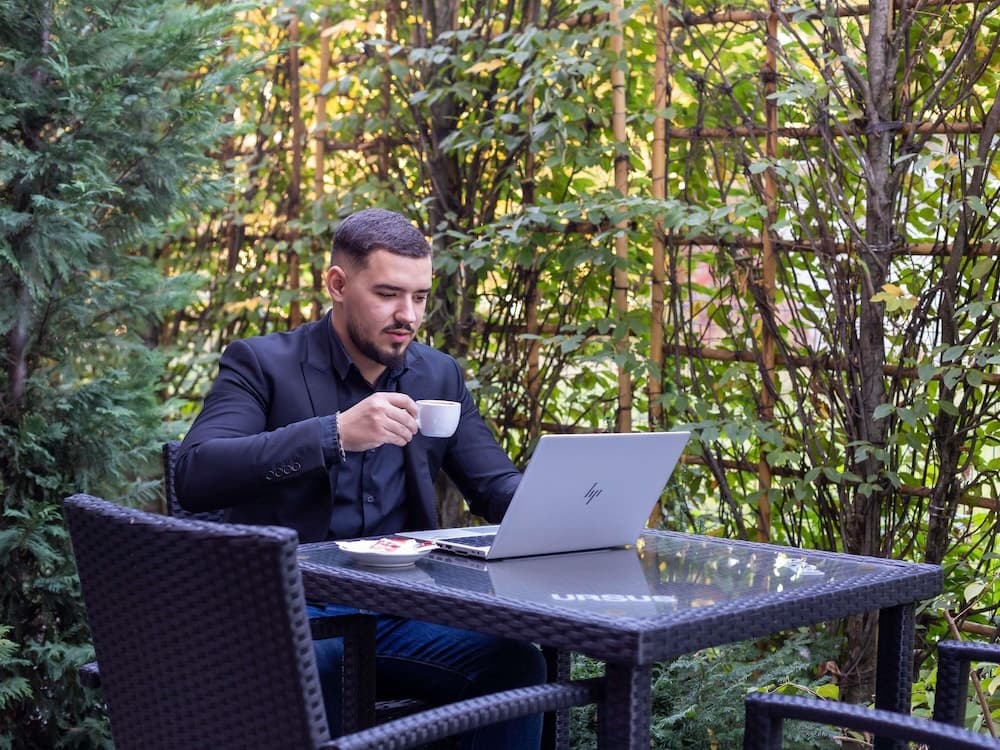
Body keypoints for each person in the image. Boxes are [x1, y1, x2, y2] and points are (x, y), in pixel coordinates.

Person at [174, 208, 546, 748]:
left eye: (420, 297)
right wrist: (333, 434)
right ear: (338, 285)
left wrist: (560, 502)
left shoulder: (437, 374)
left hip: (399, 610)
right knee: (317, 669)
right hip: (287, 610)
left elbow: (494, 486)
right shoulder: (262, 364)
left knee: (515, 664)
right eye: (388, 294)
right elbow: (195, 473)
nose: (407, 315)